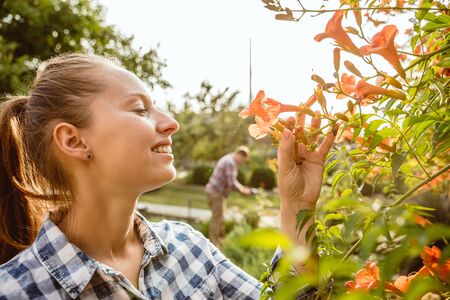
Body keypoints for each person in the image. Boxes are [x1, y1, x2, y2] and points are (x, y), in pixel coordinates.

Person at [0, 53, 337, 299]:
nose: (171, 121)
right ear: (74, 140)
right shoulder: (14, 291)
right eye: (139, 108)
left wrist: (296, 206)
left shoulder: (188, 247)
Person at [205, 146, 253, 246]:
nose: (243, 162)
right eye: (244, 160)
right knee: (217, 219)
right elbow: (231, 183)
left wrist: (242, 188)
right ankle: (214, 245)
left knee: (220, 218)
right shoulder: (230, 163)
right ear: (240, 155)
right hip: (216, 193)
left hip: (216, 192)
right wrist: (242, 190)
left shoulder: (228, 159)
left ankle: (220, 242)